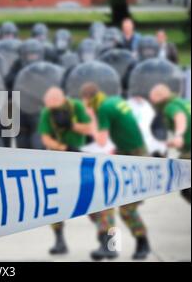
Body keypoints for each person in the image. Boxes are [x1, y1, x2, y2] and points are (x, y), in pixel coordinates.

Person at [80, 82, 151, 260]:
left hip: (135, 161)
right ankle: (109, 245)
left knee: (126, 208)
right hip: (128, 155)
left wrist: (91, 117)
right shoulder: (114, 100)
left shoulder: (103, 108)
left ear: (88, 99)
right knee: (103, 201)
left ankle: (142, 243)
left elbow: (101, 141)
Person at [38, 87, 92, 255]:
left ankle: (106, 239)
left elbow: (88, 128)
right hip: (60, 158)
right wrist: (63, 147)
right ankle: (59, 240)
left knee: (93, 197)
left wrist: (72, 125)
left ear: (62, 99)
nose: (52, 108)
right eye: (50, 105)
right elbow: (45, 138)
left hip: (81, 156)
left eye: (55, 105)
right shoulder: (47, 112)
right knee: (56, 201)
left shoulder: (76, 106)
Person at [149, 84, 191, 203]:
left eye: (152, 99)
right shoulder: (182, 102)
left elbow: (180, 117)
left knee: (186, 187)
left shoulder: (170, 106)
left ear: (159, 96)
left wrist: (178, 135)